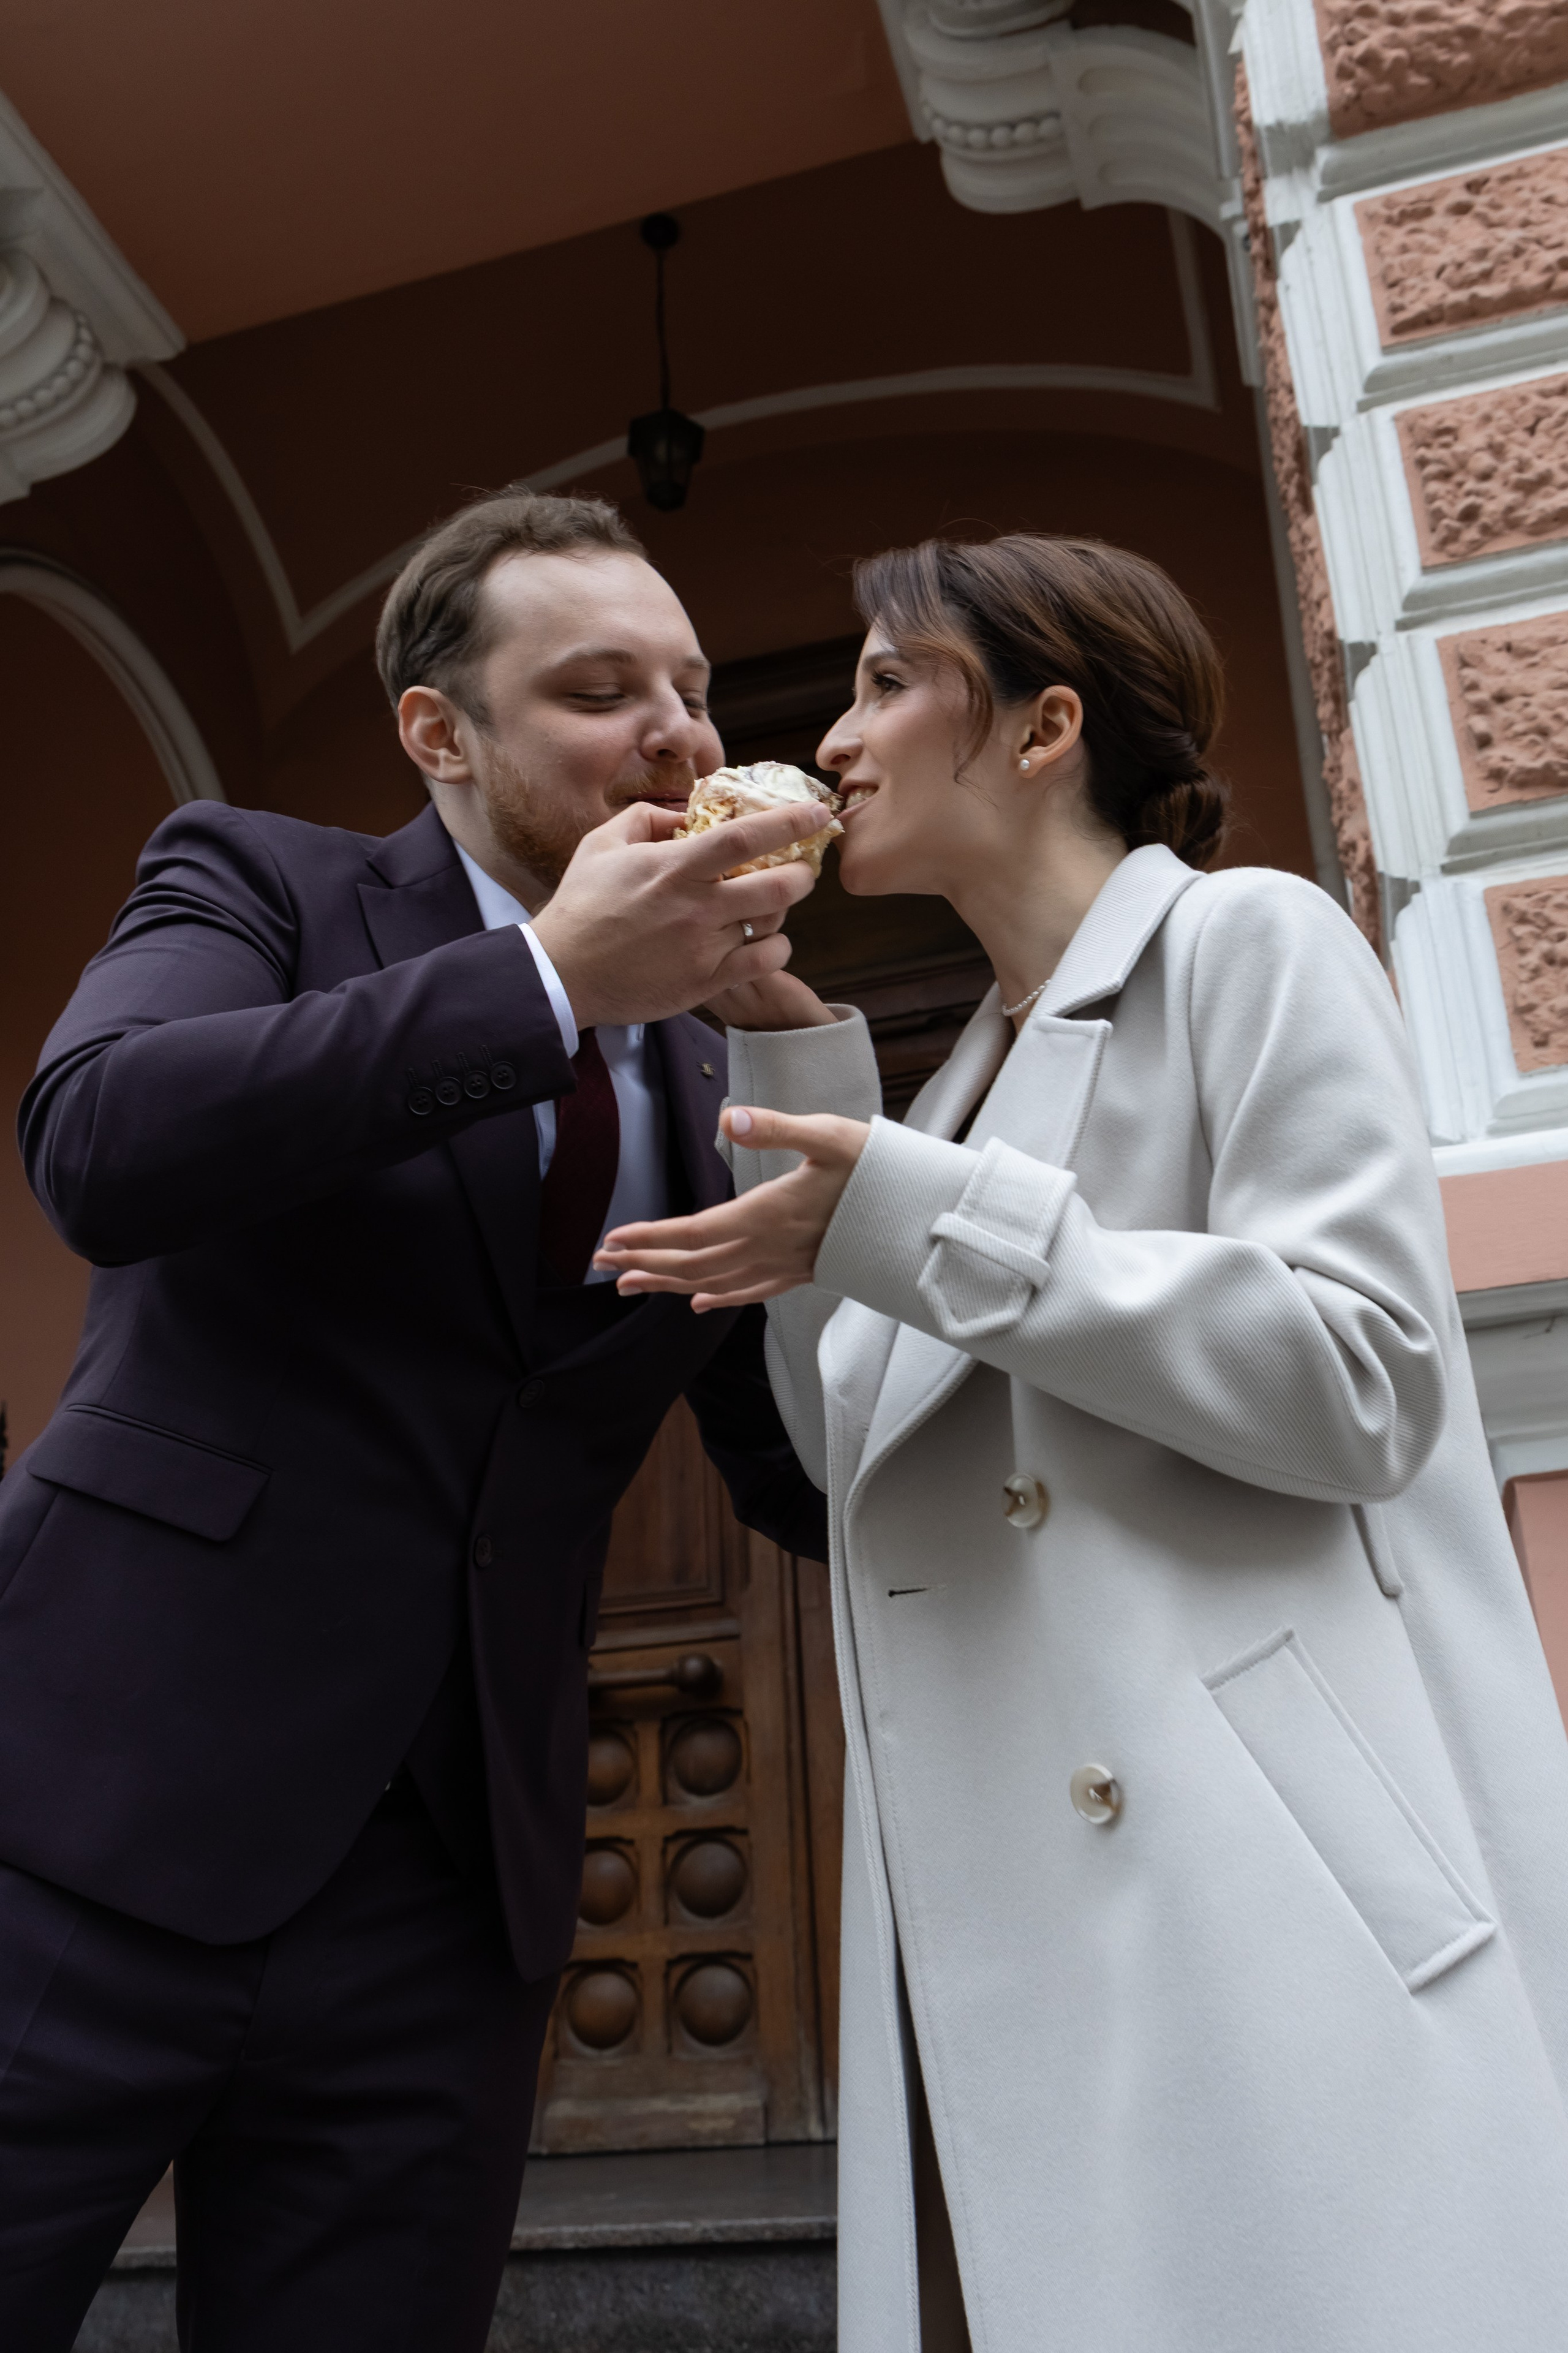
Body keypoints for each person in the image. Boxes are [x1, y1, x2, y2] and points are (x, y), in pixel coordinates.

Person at [597, 532, 1568, 2352]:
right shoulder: (959, 1070)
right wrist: (807, 1078)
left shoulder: (1242, 937)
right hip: (1012, 1912)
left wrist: (906, 1200)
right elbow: (844, 1457)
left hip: (1262, 1885)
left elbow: (1359, 1377)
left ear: (1046, 726)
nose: (842, 736)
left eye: (893, 682)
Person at [0, 486, 829, 2352]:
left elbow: (809, 1468)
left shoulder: (718, 1062)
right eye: (603, 689)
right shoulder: (264, 881)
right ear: (441, 737)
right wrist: (547, 981)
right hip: (84, 1816)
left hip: (452, 1902)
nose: (680, 734)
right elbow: (103, 1139)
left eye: (691, 687)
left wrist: (797, 1063)